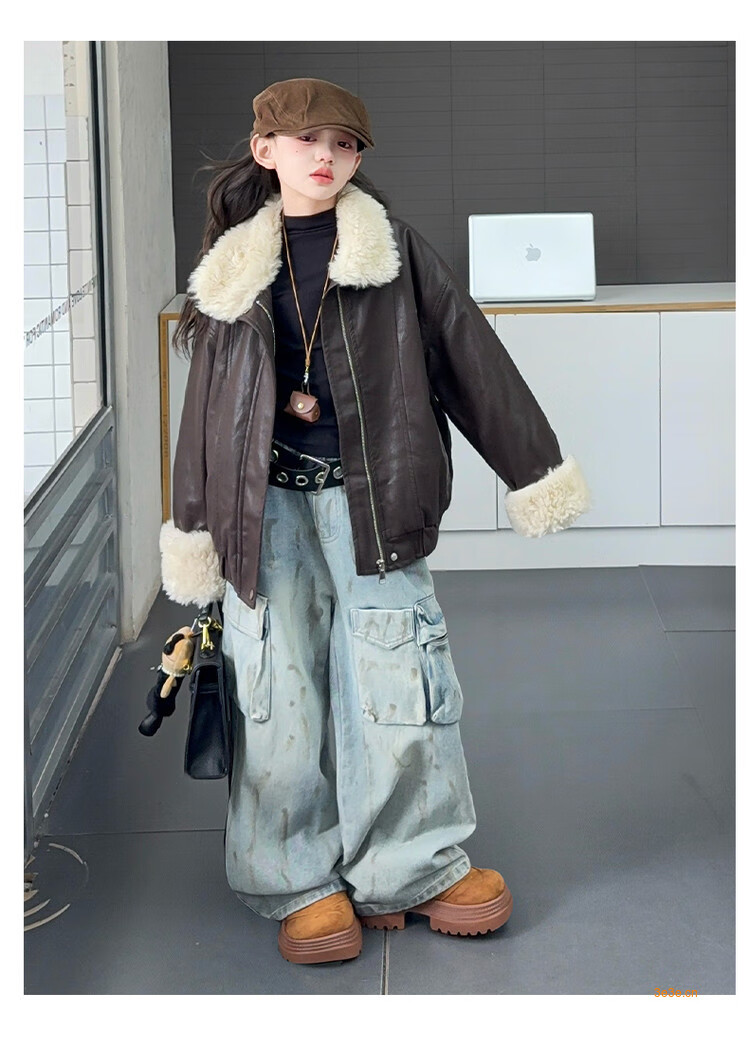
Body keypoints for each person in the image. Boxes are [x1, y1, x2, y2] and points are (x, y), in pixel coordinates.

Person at [160, 77, 592, 965]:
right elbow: (204, 414)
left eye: (344, 144)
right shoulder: (232, 271)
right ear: (265, 150)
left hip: (373, 500)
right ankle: (295, 880)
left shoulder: (393, 251)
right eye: (306, 140)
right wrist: (193, 527)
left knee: (399, 676)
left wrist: (534, 473)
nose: (326, 156)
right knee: (275, 686)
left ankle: (412, 867)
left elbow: (472, 357)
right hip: (261, 510)